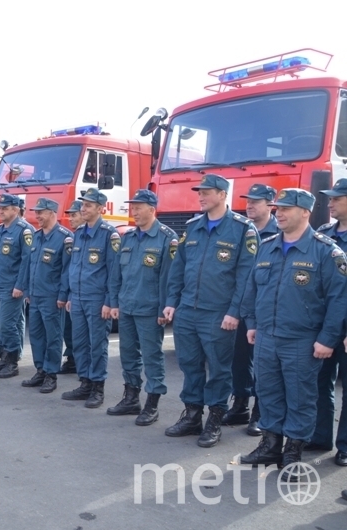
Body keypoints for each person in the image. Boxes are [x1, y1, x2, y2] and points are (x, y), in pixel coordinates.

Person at [239, 188, 347, 480]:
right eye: (277, 208)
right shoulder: (268, 245)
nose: (279, 213)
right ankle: (271, 445)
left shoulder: (326, 251)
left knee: (300, 397)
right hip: (267, 336)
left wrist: (327, 339)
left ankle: (293, 454)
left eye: (286, 208)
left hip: (302, 339)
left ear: (305, 213)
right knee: (268, 392)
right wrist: (251, 323)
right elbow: (252, 288)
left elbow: (339, 299)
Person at [163, 174, 257, 448]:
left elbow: (246, 277)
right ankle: (192, 415)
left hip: (219, 313)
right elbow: (178, 268)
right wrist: (171, 301)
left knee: (218, 368)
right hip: (188, 310)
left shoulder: (242, 229)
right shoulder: (192, 228)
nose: (200, 196)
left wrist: (235, 312)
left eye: (206, 192)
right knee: (190, 365)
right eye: (199, 192)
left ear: (222, 194)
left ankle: (215, 419)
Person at [108, 190, 177, 425]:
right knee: (127, 354)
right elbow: (117, 274)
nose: (133, 212)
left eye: (138, 208)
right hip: (127, 306)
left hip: (149, 309)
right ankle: (131, 397)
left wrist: (163, 309)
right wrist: (115, 303)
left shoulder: (167, 238)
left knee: (152, 357)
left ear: (152, 209)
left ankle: (153, 402)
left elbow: (169, 278)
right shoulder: (127, 238)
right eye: (132, 208)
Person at [223, 184, 278, 435]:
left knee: (263, 363)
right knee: (239, 359)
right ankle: (240, 405)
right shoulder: (241, 230)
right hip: (243, 305)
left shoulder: (279, 232)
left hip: (266, 310)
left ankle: (260, 412)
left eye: (256, 201)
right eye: (248, 200)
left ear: (270, 204)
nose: (249, 205)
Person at [61, 188, 119, 408]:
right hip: (78, 297)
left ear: (100, 209)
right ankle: (84, 382)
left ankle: (97, 387)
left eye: (88, 205)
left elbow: (113, 272)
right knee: (80, 343)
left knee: (97, 345)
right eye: (82, 205)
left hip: (97, 299)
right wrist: (70, 295)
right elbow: (74, 268)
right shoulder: (79, 233)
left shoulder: (108, 234)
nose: (83, 209)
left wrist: (109, 301)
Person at [309, 178, 347, 467]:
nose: (329, 203)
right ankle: (320, 435)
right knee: (320, 382)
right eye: (329, 198)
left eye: (336, 198)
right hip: (323, 324)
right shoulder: (323, 233)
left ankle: (345, 446)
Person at [21, 198, 72, 393]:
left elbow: (67, 271)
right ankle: (40, 370)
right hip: (35, 295)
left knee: (53, 336)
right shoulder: (36, 236)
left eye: (41, 212)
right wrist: (27, 291)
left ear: (52, 213)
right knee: (36, 335)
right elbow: (29, 266)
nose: (37, 216)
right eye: (36, 212)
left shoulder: (65, 238)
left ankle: (51, 374)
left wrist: (62, 295)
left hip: (52, 297)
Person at [0, 193, 33, 378]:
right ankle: (4, 356)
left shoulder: (23, 230)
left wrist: (20, 285)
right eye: (0, 208)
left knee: (8, 324)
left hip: (12, 287)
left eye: (5, 208)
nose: (1, 211)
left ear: (15, 209)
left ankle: (12, 361)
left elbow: (26, 261)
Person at [58, 200, 84, 376]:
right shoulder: (72, 237)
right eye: (69, 215)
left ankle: (80, 363)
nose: (70, 219)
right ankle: (72, 358)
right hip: (70, 290)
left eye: (74, 215)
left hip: (82, 292)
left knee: (80, 331)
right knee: (68, 327)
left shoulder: (78, 238)